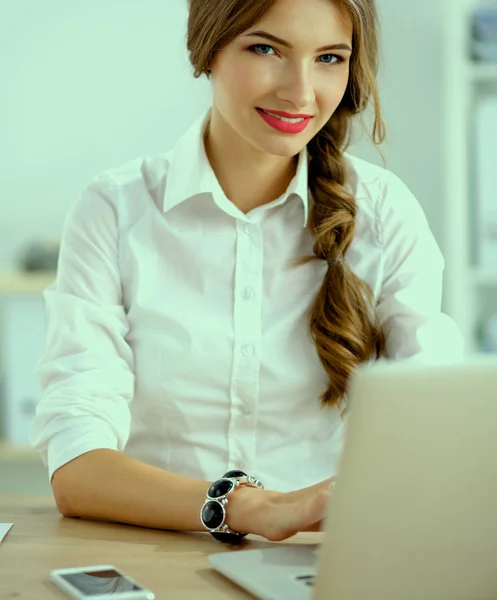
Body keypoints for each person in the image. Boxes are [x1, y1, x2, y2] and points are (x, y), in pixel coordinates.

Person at [30, 0, 464, 544]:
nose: (301, 92)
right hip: (156, 550)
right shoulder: (114, 210)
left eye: (330, 58)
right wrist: (250, 508)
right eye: (266, 49)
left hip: (321, 559)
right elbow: (77, 466)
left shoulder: (383, 213)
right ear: (208, 49)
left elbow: (439, 421)